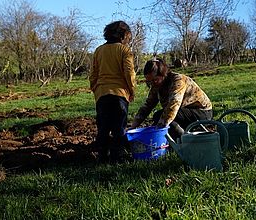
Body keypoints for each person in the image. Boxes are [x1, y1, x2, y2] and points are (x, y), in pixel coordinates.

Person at [130, 58, 212, 139]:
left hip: (201, 112)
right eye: (149, 82)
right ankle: (178, 138)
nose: (152, 84)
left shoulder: (178, 80)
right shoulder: (156, 86)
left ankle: (185, 140)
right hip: (184, 112)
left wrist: (158, 131)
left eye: (155, 80)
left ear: (163, 74)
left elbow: (173, 106)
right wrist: (132, 127)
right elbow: (147, 106)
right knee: (159, 116)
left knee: (163, 117)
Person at [89, 20, 136, 163]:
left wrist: (95, 89)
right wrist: (132, 90)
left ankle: (102, 157)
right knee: (119, 128)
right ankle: (117, 158)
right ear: (124, 35)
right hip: (119, 95)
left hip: (102, 94)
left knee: (103, 128)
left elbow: (93, 74)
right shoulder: (124, 51)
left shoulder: (98, 50)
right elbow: (129, 73)